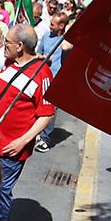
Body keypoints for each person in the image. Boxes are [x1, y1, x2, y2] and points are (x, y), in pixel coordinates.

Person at [0, 25, 55, 221]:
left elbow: (46, 114)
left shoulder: (42, 74)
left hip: (12, 146)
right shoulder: (9, 64)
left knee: (1, 190)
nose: (4, 46)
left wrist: (23, 140)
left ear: (20, 46)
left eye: (8, 43)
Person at [32, 12, 72, 152]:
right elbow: (39, 52)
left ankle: (45, 138)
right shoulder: (46, 36)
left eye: (53, 24)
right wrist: (43, 57)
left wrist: (65, 31)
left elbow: (65, 48)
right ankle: (37, 131)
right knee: (39, 105)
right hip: (44, 77)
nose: (49, 26)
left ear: (61, 26)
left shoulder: (66, 39)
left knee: (51, 110)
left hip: (57, 80)